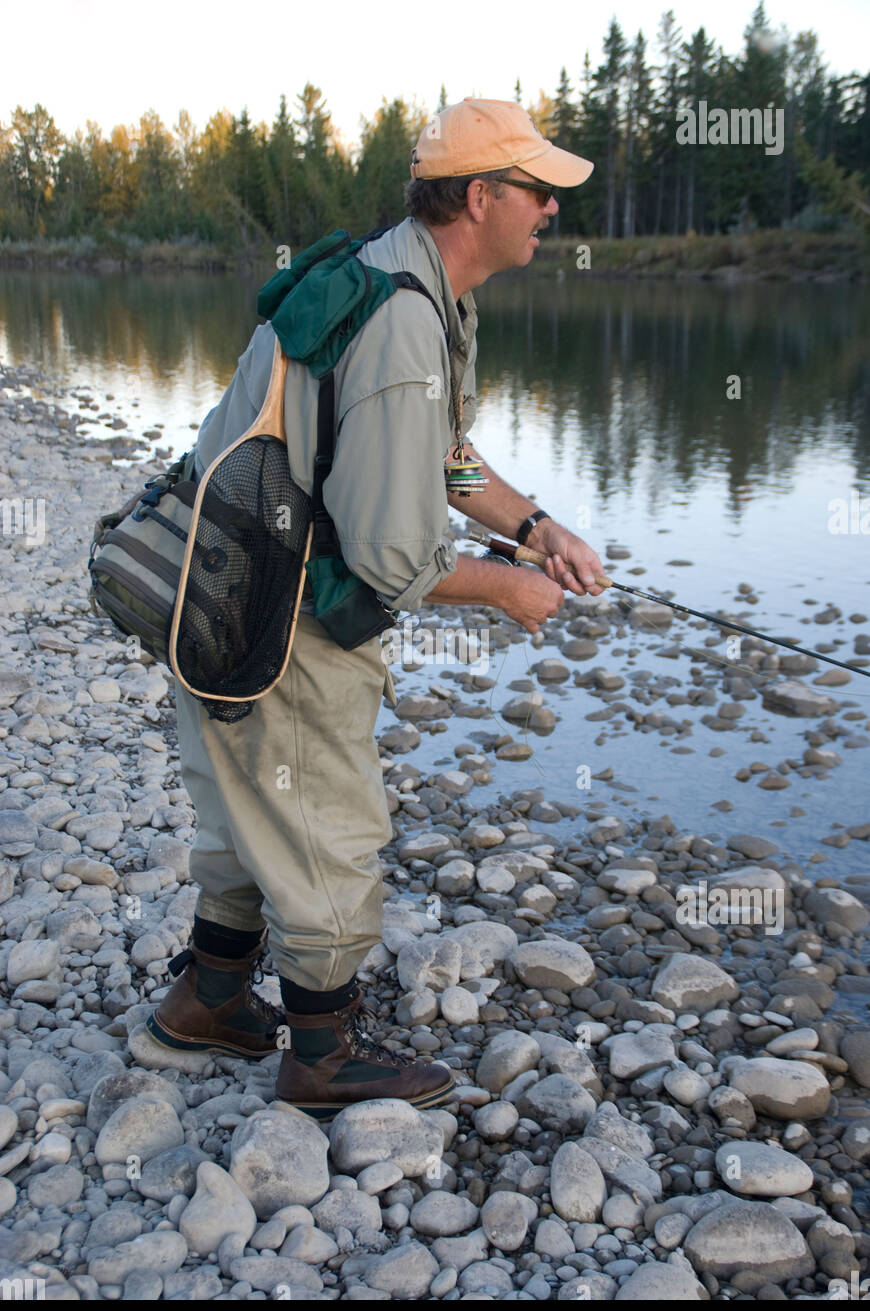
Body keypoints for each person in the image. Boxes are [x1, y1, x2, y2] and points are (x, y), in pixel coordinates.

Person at [146, 97, 605, 1119]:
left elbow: (436, 453)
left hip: (207, 581)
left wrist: (536, 527)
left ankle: (207, 1000)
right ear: (480, 197)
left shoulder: (396, 274)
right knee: (330, 820)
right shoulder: (404, 321)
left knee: (244, 804)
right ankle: (323, 1052)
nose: (550, 216)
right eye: (539, 195)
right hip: (274, 614)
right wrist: (507, 589)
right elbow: (394, 556)